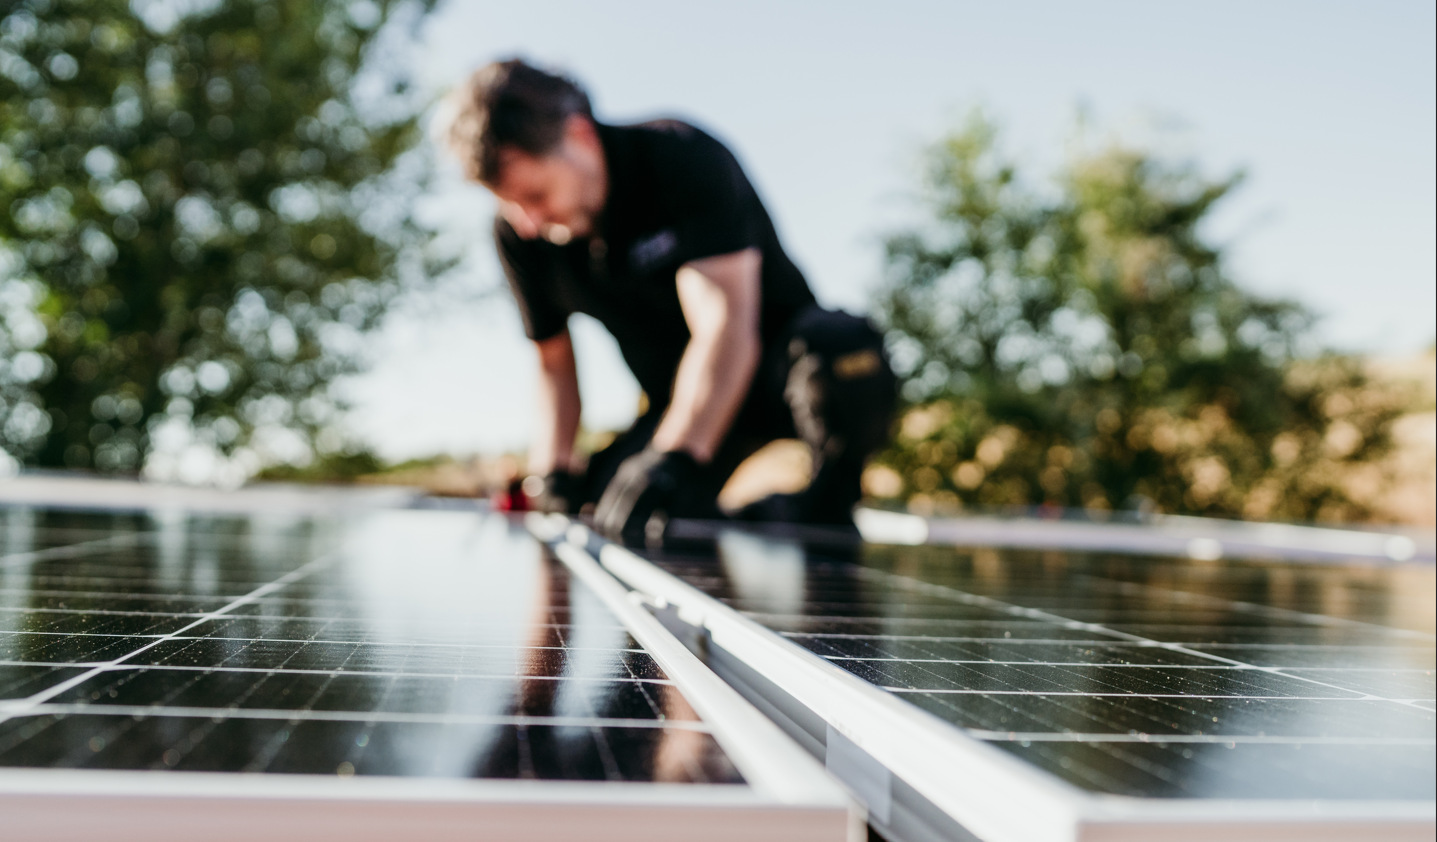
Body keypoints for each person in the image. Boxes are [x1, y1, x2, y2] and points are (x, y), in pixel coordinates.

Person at [439, 59, 896, 543]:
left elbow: (724, 326)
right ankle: (720, 505)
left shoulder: (680, 157)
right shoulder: (519, 233)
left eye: (535, 195)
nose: (527, 222)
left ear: (579, 136)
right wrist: (553, 474)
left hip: (773, 374)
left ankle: (825, 507)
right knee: (612, 506)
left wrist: (676, 457)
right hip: (677, 403)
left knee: (844, 349)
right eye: (509, 204)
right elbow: (553, 363)